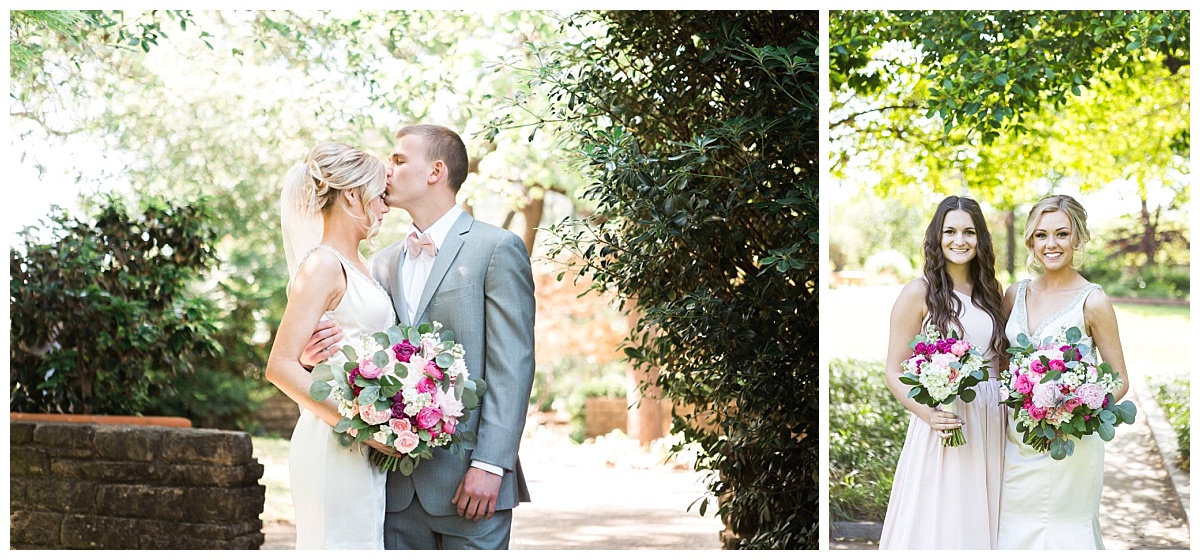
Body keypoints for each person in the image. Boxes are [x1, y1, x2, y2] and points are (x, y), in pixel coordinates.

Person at [302, 124, 536, 549]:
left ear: (435, 171)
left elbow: (513, 366)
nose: (386, 170)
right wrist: (313, 352)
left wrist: (491, 464)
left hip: (472, 485)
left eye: (398, 160)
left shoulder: (496, 248)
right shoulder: (382, 263)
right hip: (393, 487)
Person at [266, 142, 397, 549]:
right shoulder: (323, 264)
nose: (385, 208)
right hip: (336, 440)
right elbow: (280, 366)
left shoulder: (363, 267)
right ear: (352, 195)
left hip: (362, 445)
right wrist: (366, 427)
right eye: (380, 196)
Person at [997, 194, 1130, 549]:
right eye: (1041, 235)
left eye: (1061, 233)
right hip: (1017, 439)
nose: (1050, 244)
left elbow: (1119, 380)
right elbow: (1003, 365)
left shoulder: (1094, 301)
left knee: (1066, 532)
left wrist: (1072, 410)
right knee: (1011, 526)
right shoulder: (1014, 294)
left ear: (1078, 238)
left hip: (1071, 443)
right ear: (1030, 240)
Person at [878, 195, 1008, 549]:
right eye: (950, 231)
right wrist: (929, 415)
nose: (959, 240)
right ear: (937, 236)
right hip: (945, 419)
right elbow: (893, 371)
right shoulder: (918, 293)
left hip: (991, 418)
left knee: (986, 515)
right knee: (945, 514)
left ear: (980, 239)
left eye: (968, 232)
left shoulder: (991, 292)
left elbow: (1000, 360)